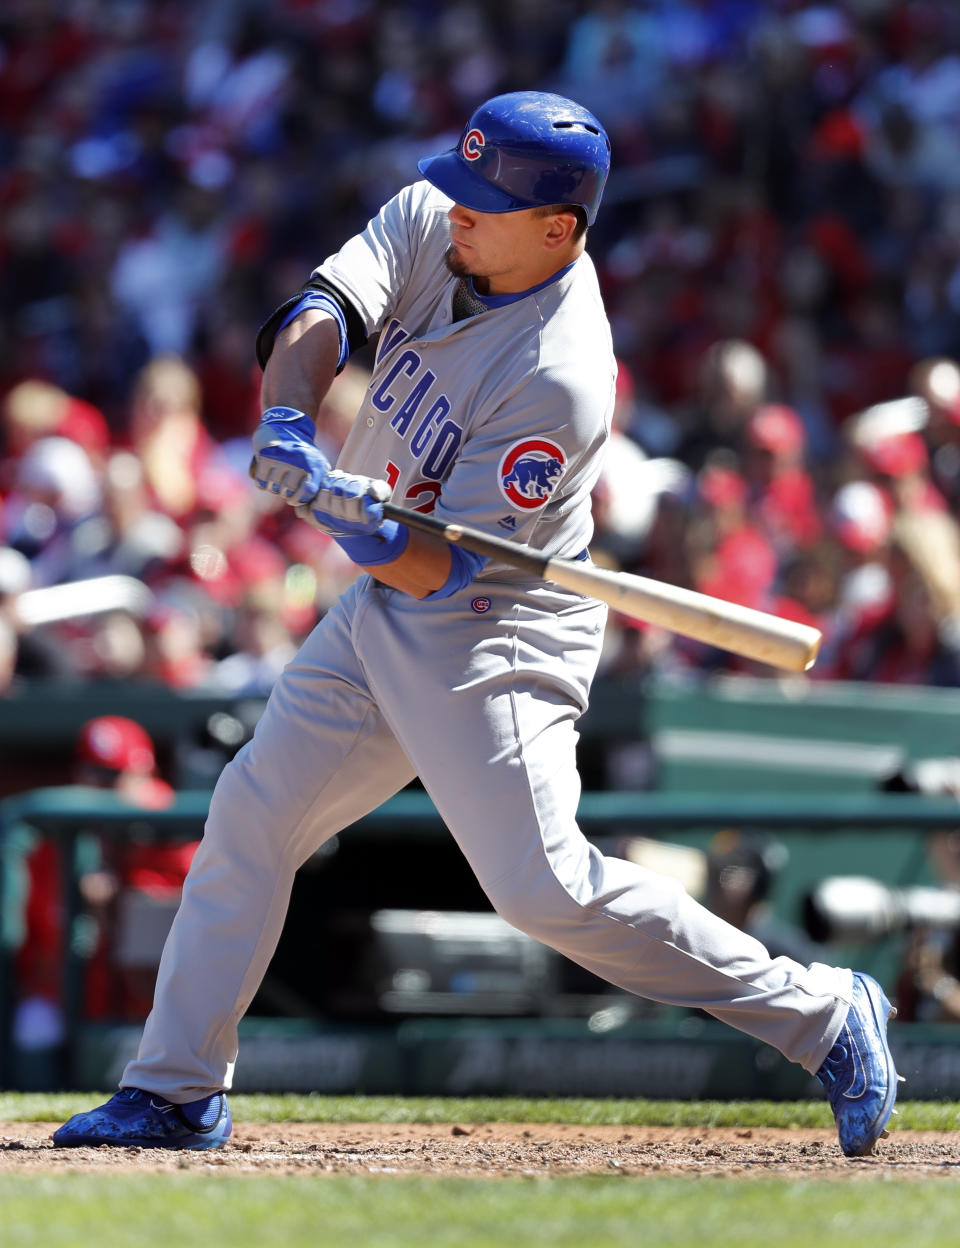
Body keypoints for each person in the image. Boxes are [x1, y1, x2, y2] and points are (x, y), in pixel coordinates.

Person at [53, 91, 899, 1156]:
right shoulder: (440, 214)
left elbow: (436, 568)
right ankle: (175, 1090)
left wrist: (353, 524)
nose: (453, 211)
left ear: (558, 228)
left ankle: (824, 1015)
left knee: (546, 888)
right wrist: (285, 415)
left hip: (495, 627)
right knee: (252, 815)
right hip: (381, 607)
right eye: (456, 187)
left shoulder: (563, 376)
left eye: (482, 203)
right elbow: (323, 313)